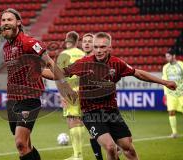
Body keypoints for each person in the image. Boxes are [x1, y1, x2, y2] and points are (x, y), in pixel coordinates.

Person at [61, 32, 177, 160]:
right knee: (110, 147)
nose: (99, 50)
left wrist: (164, 82)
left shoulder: (117, 63)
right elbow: (59, 73)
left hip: (111, 112)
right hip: (91, 113)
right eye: (96, 47)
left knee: (128, 148)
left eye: (103, 47)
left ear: (109, 48)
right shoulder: (84, 63)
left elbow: (138, 74)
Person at [0, 8, 77, 160]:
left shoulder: (29, 43)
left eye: (9, 20)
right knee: (25, 146)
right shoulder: (6, 47)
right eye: (3, 20)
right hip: (12, 100)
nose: (5, 23)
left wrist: (66, 87)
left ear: (18, 22)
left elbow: (50, 63)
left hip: (29, 99)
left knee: (20, 144)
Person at [57, 31, 86, 160]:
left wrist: (62, 94)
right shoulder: (83, 54)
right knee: (80, 120)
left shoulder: (63, 55)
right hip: (85, 91)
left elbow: (58, 76)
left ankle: (77, 155)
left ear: (67, 41)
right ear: (77, 41)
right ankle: (78, 154)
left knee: (72, 120)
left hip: (70, 91)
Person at [162, 50, 183, 138]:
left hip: (181, 92)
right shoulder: (165, 67)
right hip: (171, 93)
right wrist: (165, 94)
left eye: (168, 56)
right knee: (171, 112)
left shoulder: (181, 64)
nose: (167, 58)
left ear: (174, 56)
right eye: (166, 57)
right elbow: (165, 81)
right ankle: (174, 132)